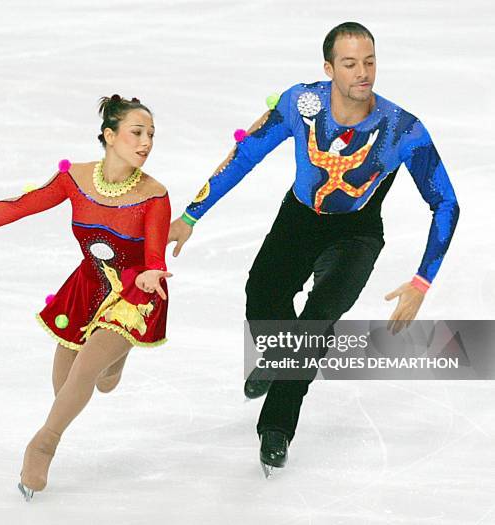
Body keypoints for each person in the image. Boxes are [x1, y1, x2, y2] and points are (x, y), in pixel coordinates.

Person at [167, 22, 460, 477]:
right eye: (350, 64)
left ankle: (277, 427)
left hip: (357, 233)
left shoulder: (403, 129)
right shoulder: (301, 104)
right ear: (328, 68)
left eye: (369, 61)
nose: (363, 73)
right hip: (299, 219)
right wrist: (191, 215)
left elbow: (446, 202)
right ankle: (280, 355)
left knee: (316, 323)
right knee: (261, 293)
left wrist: (422, 281)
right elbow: (245, 154)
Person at [0, 95, 172, 499]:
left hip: (138, 291)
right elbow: (19, 207)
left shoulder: (154, 194)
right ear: (109, 135)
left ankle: (43, 444)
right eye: (137, 132)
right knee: (71, 383)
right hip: (88, 285)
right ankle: (113, 365)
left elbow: (154, 253)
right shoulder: (75, 178)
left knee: (84, 370)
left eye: (151, 134)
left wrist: (153, 272)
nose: (146, 142)